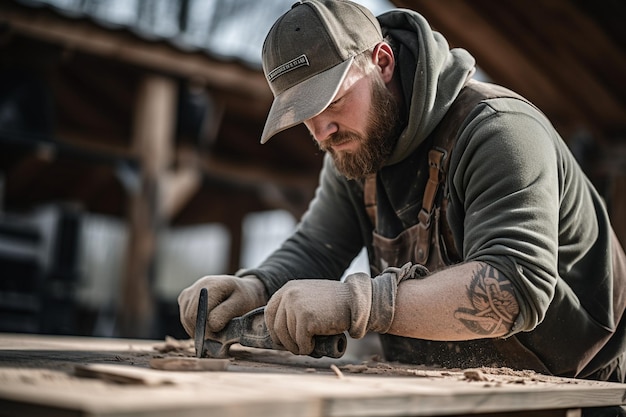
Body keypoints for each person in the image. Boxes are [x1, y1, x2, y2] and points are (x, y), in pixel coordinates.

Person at [179, 0, 626, 391]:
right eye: (303, 115)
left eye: (331, 101)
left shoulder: (499, 131)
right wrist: (253, 287)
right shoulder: (355, 149)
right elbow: (317, 248)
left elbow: (514, 286)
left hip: (581, 387)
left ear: (384, 61)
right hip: (449, 385)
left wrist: (357, 304)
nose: (322, 133)